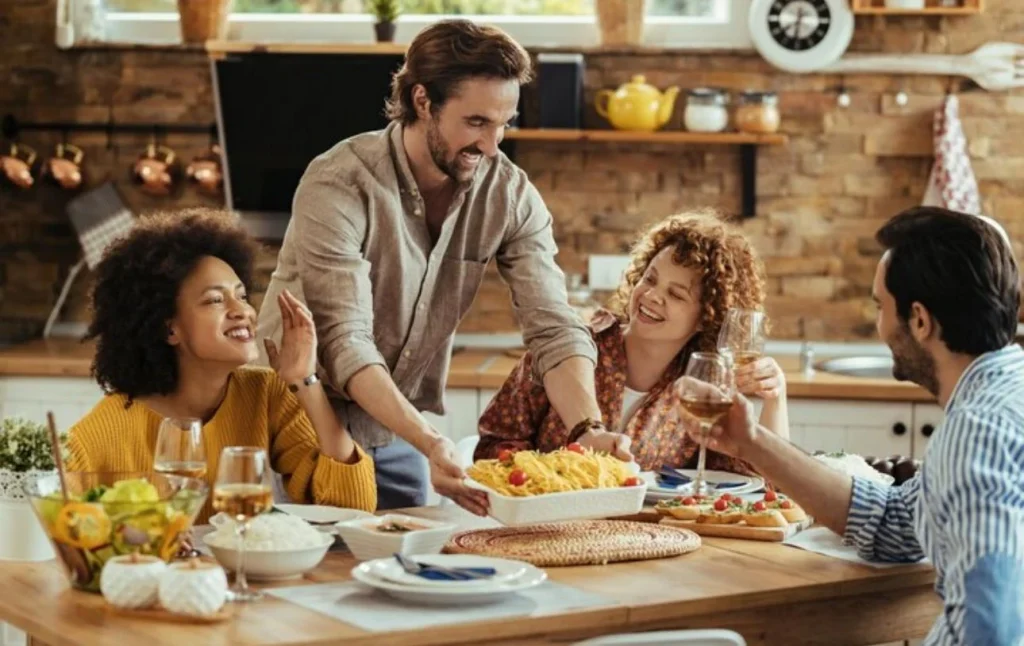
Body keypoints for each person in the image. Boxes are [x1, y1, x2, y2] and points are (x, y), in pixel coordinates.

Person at [256, 19, 616, 514]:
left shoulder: (508, 194)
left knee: (406, 568)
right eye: (476, 122)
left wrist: (587, 430)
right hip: (302, 418)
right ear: (423, 101)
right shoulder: (340, 182)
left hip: (395, 425)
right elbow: (345, 340)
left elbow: (554, 326)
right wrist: (429, 441)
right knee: (320, 578)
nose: (493, 145)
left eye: (503, 124)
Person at [695, 206, 1024, 645]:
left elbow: (991, 633)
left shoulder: (977, 430)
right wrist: (752, 441)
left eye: (880, 306)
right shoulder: (1004, 397)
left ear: (920, 321)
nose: (880, 325)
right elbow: (892, 523)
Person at [67, 208, 377, 523]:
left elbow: (352, 508)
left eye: (241, 297)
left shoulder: (266, 393)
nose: (241, 311)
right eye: (215, 300)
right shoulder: (99, 436)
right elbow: (71, 537)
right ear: (168, 329)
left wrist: (306, 381)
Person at [475, 209, 790, 473]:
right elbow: (494, 445)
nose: (652, 296)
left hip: (656, 538)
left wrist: (776, 397)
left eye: (676, 294)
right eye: (650, 279)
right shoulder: (567, 347)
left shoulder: (706, 383)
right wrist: (543, 479)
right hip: (546, 527)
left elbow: (759, 483)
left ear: (708, 316)